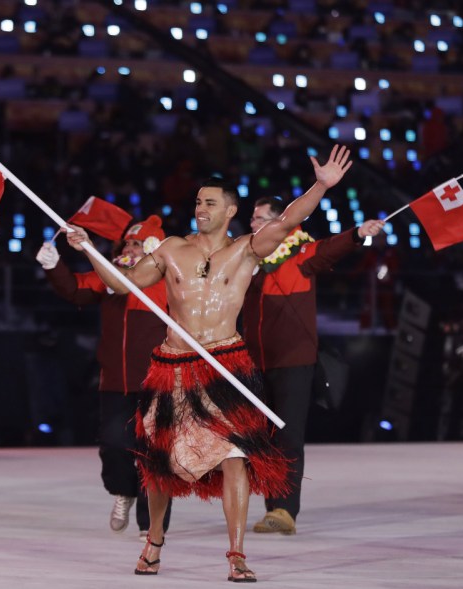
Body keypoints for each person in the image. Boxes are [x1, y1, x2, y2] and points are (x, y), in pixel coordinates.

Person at [66, 144, 354, 582]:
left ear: (230, 210)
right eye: (198, 201)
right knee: (159, 460)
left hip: (224, 364)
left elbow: (289, 220)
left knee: (235, 455)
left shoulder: (245, 251)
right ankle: (154, 542)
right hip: (173, 364)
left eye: (210, 203)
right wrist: (89, 249)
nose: (200, 208)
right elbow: (122, 285)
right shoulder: (170, 249)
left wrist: (321, 186)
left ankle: (236, 554)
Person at [242, 196, 385, 536]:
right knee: (260, 439)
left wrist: (357, 233)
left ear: (282, 223)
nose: (252, 224)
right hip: (253, 361)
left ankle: (284, 509)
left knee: (288, 436)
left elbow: (330, 249)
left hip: (293, 361)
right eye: (252, 218)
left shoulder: (300, 254)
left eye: (260, 218)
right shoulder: (246, 257)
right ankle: (271, 506)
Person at [36, 215, 171, 538]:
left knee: (154, 454)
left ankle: (150, 524)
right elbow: (77, 291)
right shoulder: (110, 276)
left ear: (153, 249)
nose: (129, 247)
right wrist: (54, 266)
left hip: (158, 382)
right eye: (127, 242)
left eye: (137, 244)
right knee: (113, 445)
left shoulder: (165, 282)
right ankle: (123, 492)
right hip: (115, 381)